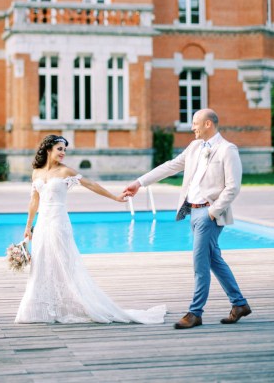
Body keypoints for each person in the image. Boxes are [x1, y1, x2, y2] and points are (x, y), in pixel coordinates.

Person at [15, 134, 167, 324]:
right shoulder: (36, 173)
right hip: (42, 224)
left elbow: (91, 185)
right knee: (42, 264)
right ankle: (42, 309)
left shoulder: (66, 172)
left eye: (64, 150)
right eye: (59, 149)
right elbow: (34, 201)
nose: (63, 153)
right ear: (48, 150)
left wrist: (115, 198)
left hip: (59, 222)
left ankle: (71, 305)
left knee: (64, 264)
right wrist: (28, 226)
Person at [124, 108, 251, 329]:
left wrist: (212, 212)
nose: (192, 127)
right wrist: (139, 182)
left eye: (195, 123)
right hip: (192, 210)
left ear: (208, 124)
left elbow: (233, 187)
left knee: (199, 264)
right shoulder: (194, 147)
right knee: (213, 260)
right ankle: (239, 304)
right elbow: (170, 166)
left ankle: (195, 313)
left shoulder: (227, 150)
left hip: (209, 213)